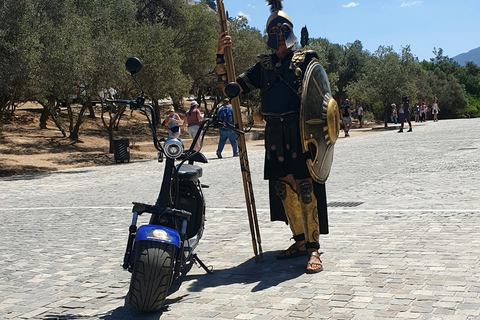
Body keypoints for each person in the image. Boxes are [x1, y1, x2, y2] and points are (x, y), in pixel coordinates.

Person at [216, 0, 329, 273]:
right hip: (275, 134)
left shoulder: (306, 60)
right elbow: (230, 87)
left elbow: (320, 95)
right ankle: (300, 241)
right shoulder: (263, 67)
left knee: (304, 187)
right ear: (269, 36)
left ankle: (313, 249)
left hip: (300, 131)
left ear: (289, 32)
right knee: (283, 186)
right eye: (274, 32)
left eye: (283, 31)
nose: (279, 37)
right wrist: (221, 56)